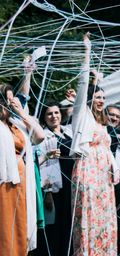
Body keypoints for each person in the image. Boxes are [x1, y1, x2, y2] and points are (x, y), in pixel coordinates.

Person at [70, 33, 119, 256]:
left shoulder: (102, 122)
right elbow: (82, 82)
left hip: (103, 175)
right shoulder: (82, 114)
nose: (101, 101)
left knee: (104, 216)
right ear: (89, 98)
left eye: (103, 98)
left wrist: (114, 167)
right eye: (97, 97)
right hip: (88, 170)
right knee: (88, 216)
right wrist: (87, 51)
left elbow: (107, 148)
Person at [0, 72, 46, 255]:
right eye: (5, 100)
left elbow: (39, 136)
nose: (8, 104)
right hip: (4, 184)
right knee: (4, 230)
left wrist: (19, 111)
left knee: (19, 228)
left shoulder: (15, 123)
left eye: (11, 100)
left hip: (21, 183)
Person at [37, 104, 75, 256]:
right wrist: (47, 192)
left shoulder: (68, 132)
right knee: (55, 226)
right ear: (44, 118)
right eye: (49, 114)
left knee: (68, 224)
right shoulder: (44, 136)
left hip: (70, 185)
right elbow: (44, 165)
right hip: (55, 188)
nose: (54, 116)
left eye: (56, 112)